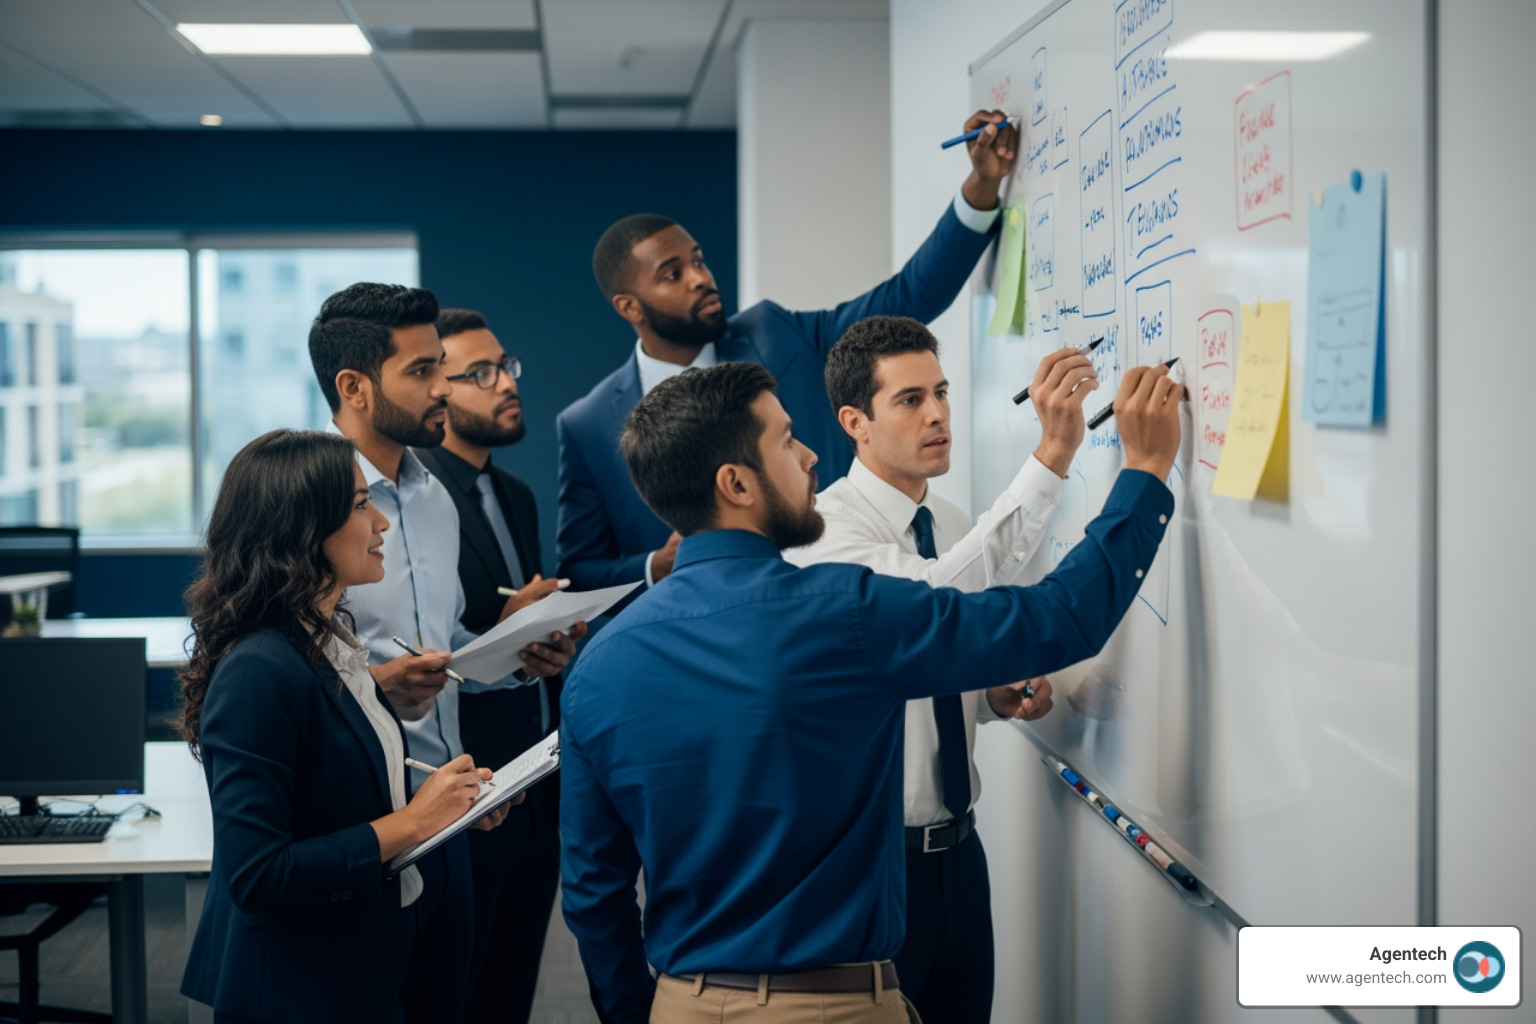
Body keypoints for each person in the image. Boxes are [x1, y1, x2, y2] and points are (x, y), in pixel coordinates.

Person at [559, 360, 1183, 1023]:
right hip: (832, 1008)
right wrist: (1143, 474)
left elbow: (593, 892)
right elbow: (1057, 620)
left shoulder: (599, 666)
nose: (809, 459)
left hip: (681, 1005)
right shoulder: (842, 613)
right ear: (736, 483)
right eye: (786, 441)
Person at [555, 110, 1019, 595]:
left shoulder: (775, 333)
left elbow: (909, 296)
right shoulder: (587, 425)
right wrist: (656, 565)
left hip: (837, 597)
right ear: (629, 306)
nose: (701, 278)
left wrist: (980, 187)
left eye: (698, 260)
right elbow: (580, 568)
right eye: (673, 274)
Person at [783, 316, 1098, 1023]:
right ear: (854, 422)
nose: (937, 415)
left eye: (943, 393)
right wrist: (1051, 452)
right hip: (874, 868)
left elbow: (930, 659)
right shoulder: (826, 531)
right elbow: (928, 600)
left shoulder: (952, 522)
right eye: (910, 400)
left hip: (961, 852)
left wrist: (988, 695)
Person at [177, 429, 513, 1024]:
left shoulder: (327, 643)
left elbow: (335, 798)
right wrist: (413, 821)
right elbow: (259, 873)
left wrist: (445, 804)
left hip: (356, 966)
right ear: (303, 528)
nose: (382, 523)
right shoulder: (258, 668)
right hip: (298, 987)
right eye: (361, 505)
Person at [305, 282, 580, 758]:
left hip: (449, 796)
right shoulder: (300, 503)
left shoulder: (436, 499)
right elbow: (259, 683)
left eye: (440, 366)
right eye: (421, 370)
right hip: (358, 810)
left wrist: (518, 652)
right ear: (353, 388)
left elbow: (446, 648)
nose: (442, 387)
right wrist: (370, 690)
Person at [414, 308, 567, 1024]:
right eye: (480, 373)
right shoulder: (416, 503)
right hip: (466, 792)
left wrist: (546, 641)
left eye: (505, 366)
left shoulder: (516, 495)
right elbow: (424, 652)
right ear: (434, 394)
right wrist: (504, 631)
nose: (506, 383)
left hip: (537, 784)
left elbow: (513, 633)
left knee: (511, 992)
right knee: (458, 996)